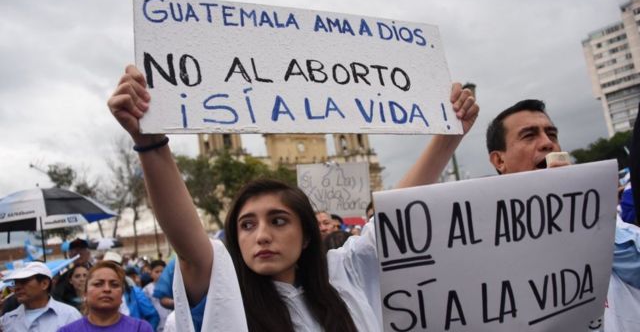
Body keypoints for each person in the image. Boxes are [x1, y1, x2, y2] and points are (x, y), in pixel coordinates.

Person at [108, 65, 478, 331]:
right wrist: (149, 142)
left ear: (306, 235)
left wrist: (449, 138)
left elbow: (393, 213)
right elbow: (188, 245)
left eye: (279, 220)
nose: (262, 235)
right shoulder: (226, 297)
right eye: (247, 224)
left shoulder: (343, 276)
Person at [484, 99, 639, 330]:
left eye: (552, 135)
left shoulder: (613, 230)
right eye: (529, 135)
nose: (547, 143)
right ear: (499, 160)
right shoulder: (485, 247)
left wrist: (578, 212)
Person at [58, 260, 154, 332]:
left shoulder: (140, 329)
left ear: (122, 295)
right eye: (98, 284)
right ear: (85, 294)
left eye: (114, 284)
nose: (107, 289)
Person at [0, 262, 81, 331]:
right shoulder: (7, 320)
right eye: (15, 283)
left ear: (44, 284)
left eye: (24, 281)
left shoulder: (69, 315)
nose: (17, 287)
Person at [143, 260, 171, 332]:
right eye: (157, 272)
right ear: (151, 274)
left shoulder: (172, 287)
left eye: (162, 271)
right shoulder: (147, 290)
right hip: (156, 326)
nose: (160, 274)